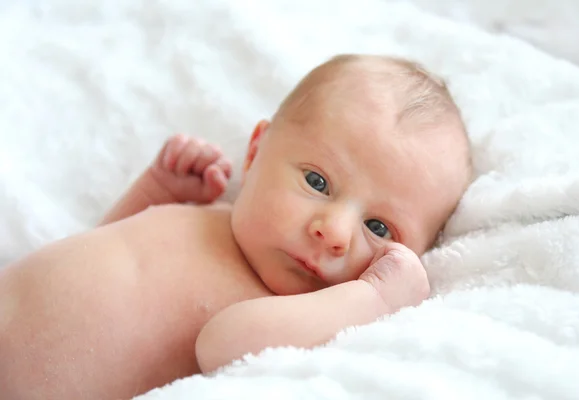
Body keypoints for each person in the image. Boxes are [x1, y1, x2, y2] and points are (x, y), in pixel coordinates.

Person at [0, 54, 472, 399]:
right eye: (317, 181)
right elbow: (99, 248)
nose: (335, 231)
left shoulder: (296, 311)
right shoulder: (216, 218)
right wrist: (154, 193)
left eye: (379, 227)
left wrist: (376, 298)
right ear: (255, 152)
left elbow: (224, 344)